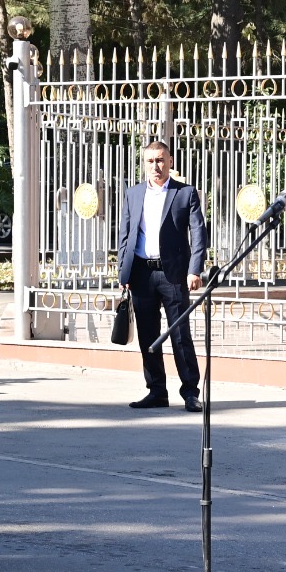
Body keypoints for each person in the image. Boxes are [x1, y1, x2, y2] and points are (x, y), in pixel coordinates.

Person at [116, 140, 208, 411]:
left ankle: (190, 392)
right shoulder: (133, 194)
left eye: (160, 160)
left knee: (180, 334)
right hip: (142, 273)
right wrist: (124, 271)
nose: (155, 166)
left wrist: (194, 269)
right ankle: (156, 390)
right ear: (144, 164)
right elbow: (125, 235)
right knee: (148, 335)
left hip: (174, 275)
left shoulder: (185, 193)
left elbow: (199, 233)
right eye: (150, 161)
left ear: (170, 162)